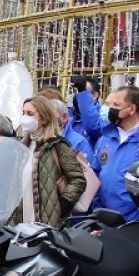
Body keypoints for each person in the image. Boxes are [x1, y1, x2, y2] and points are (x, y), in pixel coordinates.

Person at [91, 86, 139, 221]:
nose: (110, 109)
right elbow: (95, 173)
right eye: (109, 104)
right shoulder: (106, 137)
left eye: (116, 105)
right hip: (104, 218)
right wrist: (97, 209)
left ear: (132, 109)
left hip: (135, 224)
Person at [20, 96, 88, 226]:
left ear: (44, 118)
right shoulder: (23, 146)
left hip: (48, 223)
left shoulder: (58, 145)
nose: (24, 117)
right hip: (22, 218)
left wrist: (62, 206)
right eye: (23, 113)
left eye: (30, 114)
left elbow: (78, 180)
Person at [38, 88, 93, 160]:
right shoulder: (37, 139)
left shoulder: (79, 143)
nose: (45, 119)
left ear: (64, 117)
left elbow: (86, 169)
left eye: (50, 115)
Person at [68, 75, 104, 147]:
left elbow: (93, 127)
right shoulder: (69, 115)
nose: (78, 95)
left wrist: (83, 94)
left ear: (95, 95)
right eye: (76, 92)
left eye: (83, 91)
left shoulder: (102, 116)